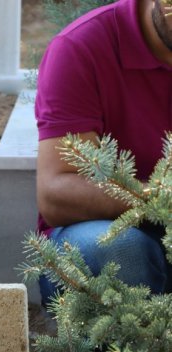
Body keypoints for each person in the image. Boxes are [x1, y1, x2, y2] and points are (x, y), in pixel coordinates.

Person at [35, 0, 171, 304]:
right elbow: (56, 194)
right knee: (116, 250)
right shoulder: (82, 47)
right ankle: (128, 350)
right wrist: (161, 197)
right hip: (100, 238)